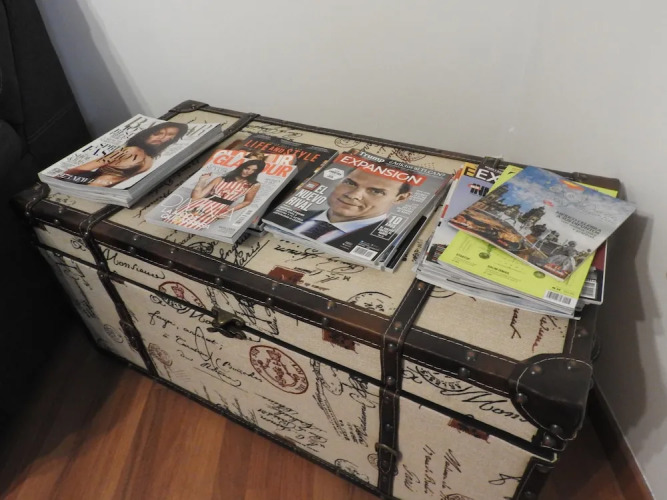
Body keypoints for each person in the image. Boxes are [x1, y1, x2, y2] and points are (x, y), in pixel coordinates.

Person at [290, 167, 412, 249]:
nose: (353, 195)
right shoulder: (291, 213)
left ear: (400, 198)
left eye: (376, 191)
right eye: (350, 183)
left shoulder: (390, 244)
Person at [56, 121, 188, 187]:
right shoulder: (138, 154)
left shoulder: (145, 157)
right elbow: (82, 169)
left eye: (170, 135)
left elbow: (82, 169)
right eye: (158, 133)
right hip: (90, 185)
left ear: (172, 140)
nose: (162, 137)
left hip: (98, 188)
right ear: (147, 134)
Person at [164, 152, 266, 229]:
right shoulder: (220, 178)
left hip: (216, 210)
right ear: (242, 167)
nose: (249, 172)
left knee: (192, 227)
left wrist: (228, 211)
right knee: (173, 223)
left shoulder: (254, 185)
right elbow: (195, 197)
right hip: (198, 205)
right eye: (247, 168)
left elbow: (247, 201)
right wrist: (202, 181)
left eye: (254, 170)